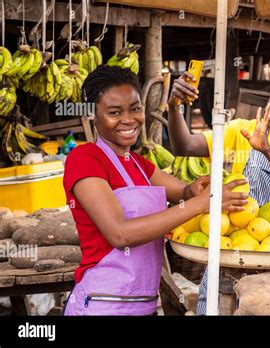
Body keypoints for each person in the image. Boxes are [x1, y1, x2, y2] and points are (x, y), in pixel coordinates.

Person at [62, 66, 248, 316]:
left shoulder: (139, 164)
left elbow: (183, 191)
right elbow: (119, 235)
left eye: (135, 109)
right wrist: (201, 203)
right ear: (92, 115)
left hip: (145, 304)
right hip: (102, 304)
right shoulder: (84, 159)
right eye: (114, 112)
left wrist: (195, 189)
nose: (129, 120)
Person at [168, 71, 270, 314]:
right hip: (233, 251)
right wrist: (174, 107)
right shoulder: (240, 130)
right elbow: (183, 145)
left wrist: (266, 149)